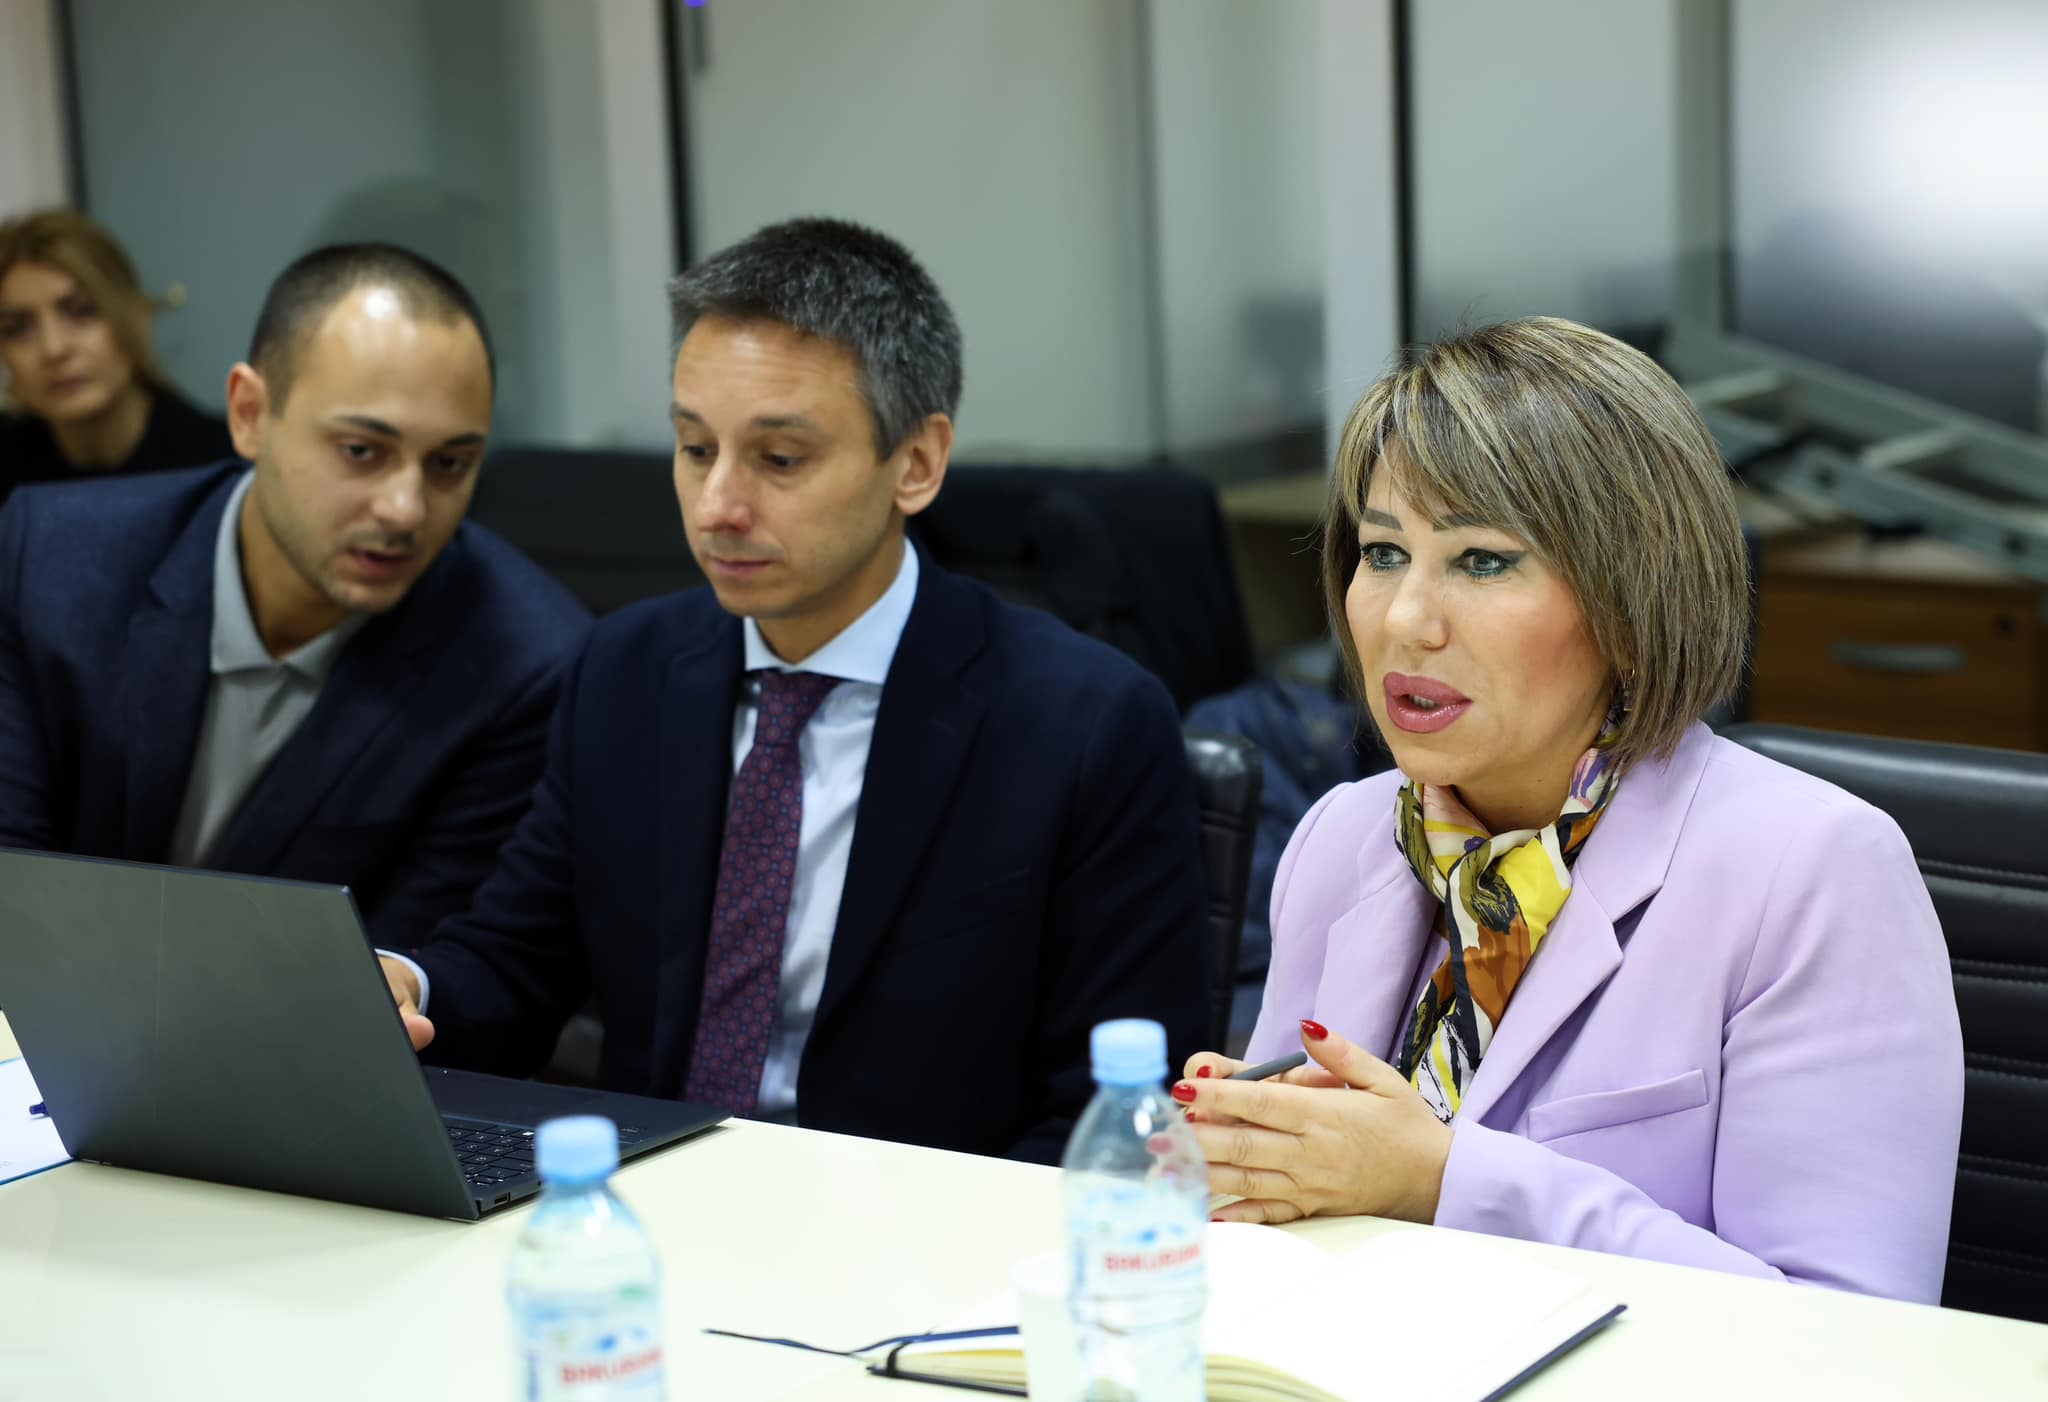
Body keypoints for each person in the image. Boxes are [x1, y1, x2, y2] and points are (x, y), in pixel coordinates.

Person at [382, 217, 1208, 1163]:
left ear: (917, 463)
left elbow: (1113, 1111)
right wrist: (410, 988)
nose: (718, 506)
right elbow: (516, 961)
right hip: (655, 1199)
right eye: (696, 449)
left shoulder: (1081, 723)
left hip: (927, 1226)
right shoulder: (628, 669)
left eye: (779, 460)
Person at [1172, 318, 1962, 1303]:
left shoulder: (1814, 870)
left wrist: (1443, 1180)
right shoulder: (1344, 835)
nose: (1406, 619)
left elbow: (1855, 1331)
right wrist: (1241, 1159)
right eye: (1383, 552)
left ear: (1632, 603)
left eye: (1481, 560)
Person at [0, 243, 589, 950]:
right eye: (361, 450)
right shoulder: (51, 563)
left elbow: (410, 968)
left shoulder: (524, 665)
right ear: (249, 414)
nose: (405, 510)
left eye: (450, 463)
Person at [0, 209, 232, 503]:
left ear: (137, 317)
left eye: (82, 311)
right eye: (17, 329)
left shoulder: (221, 466)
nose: (54, 349)